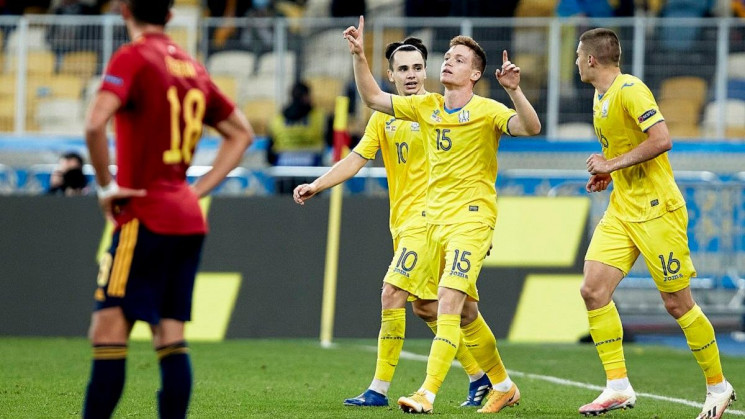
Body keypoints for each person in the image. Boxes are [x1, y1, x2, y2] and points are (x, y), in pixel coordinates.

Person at [343, 16, 541, 414]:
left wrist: (515, 91)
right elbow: (373, 98)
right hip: (435, 221)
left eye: (459, 59)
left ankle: (426, 393)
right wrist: (359, 55)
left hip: (472, 219)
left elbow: (530, 126)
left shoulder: (488, 110)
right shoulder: (427, 107)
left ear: (475, 74)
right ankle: (501, 385)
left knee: (447, 300)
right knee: (463, 310)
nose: (448, 62)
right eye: (447, 56)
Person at [293, 37, 492, 409]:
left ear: (426, 71)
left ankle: (379, 389)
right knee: (430, 308)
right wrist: (318, 184)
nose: (411, 75)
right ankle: (482, 377)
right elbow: (356, 158)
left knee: (392, 292)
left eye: (417, 67)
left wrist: (473, 222)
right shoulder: (383, 117)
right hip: (402, 224)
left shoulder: (437, 111)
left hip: (429, 221)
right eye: (403, 69)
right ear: (391, 75)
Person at [81, 1, 254, 418]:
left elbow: (94, 123)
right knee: (170, 334)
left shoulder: (133, 56)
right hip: (186, 218)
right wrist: (195, 192)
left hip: (144, 214)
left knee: (108, 328)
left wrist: (106, 186)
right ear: (170, 16)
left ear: (124, 10)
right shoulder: (192, 67)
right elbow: (242, 134)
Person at [575, 28, 736, 418]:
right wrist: (610, 173)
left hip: (657, 210)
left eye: (578, 55)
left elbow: (662, 139)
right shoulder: (600, 97)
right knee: (593, 291)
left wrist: (610, 163)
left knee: (677, 304)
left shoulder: (631, 90)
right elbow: (627, 146)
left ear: (592, 59)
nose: (576, 62)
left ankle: (718, 388)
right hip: (622, 209)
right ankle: (617, 387)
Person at [267, 81, 327, 193]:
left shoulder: (277, 120)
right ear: (306, 97)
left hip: (284, 175)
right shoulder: (319, 117)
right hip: (312, 175)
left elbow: (269, 155)